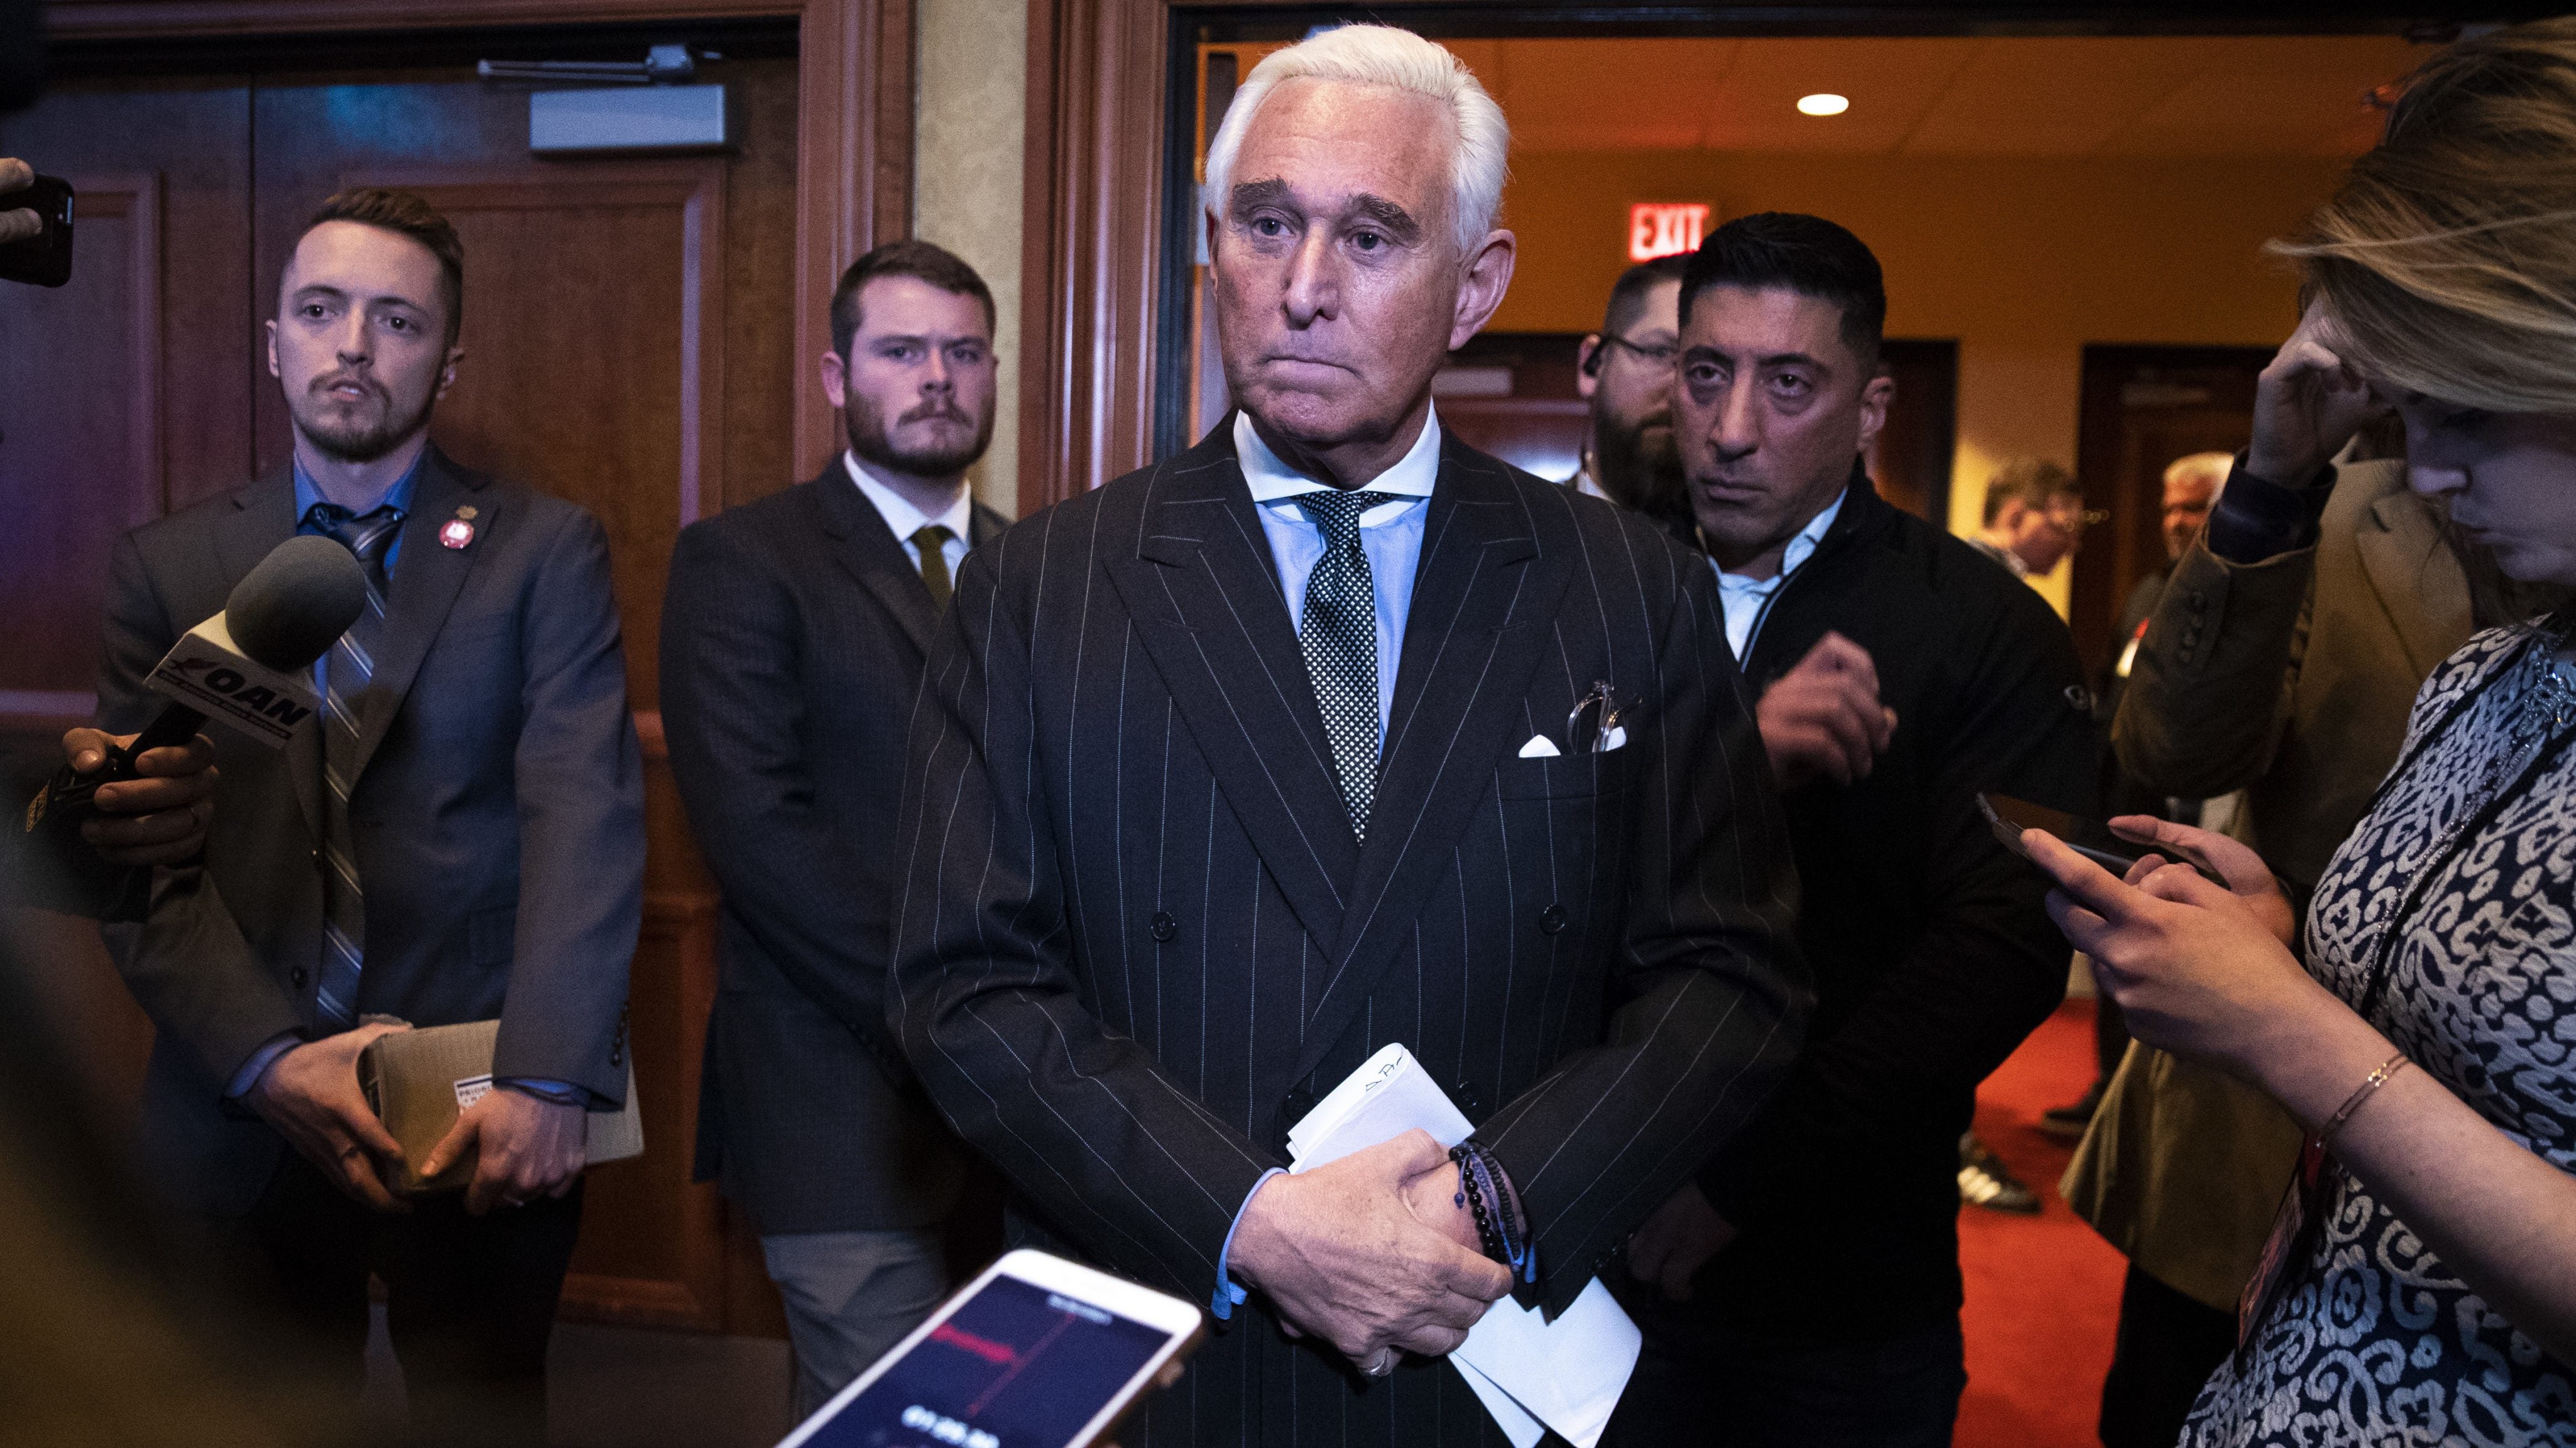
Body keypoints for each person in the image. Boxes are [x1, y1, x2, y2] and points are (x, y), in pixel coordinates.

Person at [890, 25, 1807, 1447]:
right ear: (1213, 251)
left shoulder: (1621, 585)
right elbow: (966, 988)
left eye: (1371, 237)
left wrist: (1495, 1195)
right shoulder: (1042, 586)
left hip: (1484, 1344)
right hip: (1167, 1350)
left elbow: (1729, 973)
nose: (1303, 291)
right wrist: (1249, 1217)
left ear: (1472, 288)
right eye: (1265, 226)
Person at [2029, 21, 2576, 1444]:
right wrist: (2288, 942)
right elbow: (2172, 742)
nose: (2427, 465)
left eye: (2465, 410)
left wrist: (2286, 1027)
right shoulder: (2498, 674)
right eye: (2403, 412)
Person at [92, 187, 643, 1447]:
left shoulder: (544, 552)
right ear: (274, 341)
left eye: (395, 319)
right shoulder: (166, 569)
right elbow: (139, 866)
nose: (353, 345)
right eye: (321, 311)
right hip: (238, 1116)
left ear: (448, 360)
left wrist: (552, 1072)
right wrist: (270, 1059)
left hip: (481, 1108)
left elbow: (584, 814)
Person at [1603, 213, 2097, 1448]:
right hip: (1581, 1243)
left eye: (1788, 383)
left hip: (1840, 1294)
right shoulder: (1594, 588)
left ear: (1871, 405)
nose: (1728, 427)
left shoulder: (1975, 628)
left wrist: (1739, 1185)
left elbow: (1994, 954)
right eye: (1704, 372)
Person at [660, 239, 1007, 1418]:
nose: (938, 378)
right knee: (890, 1425)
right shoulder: (745, 562)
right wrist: (967, 1015)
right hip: (839, 1108)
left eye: (965, 352)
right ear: (834, 374)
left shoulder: (1041, 568)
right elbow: (762, 837)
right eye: (902, 351)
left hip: (1026, 1124)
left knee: (1013, 1420)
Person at [2039, 449, 2229, 1145]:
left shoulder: (2236, 598)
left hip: (2194, 825)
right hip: (2122, 811)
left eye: (2193, 506)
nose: (2176, 521)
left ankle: (2149, 1118)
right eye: (2169, 507)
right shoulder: (2152, 590)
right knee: (2112, 955)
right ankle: (2106, 1095)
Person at [1567, 253, 1695, 543]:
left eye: (1706, 369)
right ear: (1592, 366)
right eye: (1660, 352)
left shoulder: (1751, 565)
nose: (1680, 389)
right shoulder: (1524, 535)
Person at [1970, 457, 2086, 580]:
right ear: (2014, 517)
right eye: (2064, 527)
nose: (2073, 545)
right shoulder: (1980, 581)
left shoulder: (1969, 570)